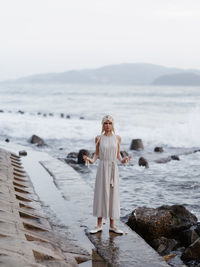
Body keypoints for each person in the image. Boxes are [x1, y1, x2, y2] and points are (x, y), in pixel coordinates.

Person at [83, 115, 131, 235]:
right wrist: (89, 159)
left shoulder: (118, 138)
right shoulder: (98, 138)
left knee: (113, 195)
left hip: (113, 168)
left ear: (113, 124)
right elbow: (96, 156)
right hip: (102, 168)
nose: (108, 125)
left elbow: (118, 156)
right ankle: (99, 225)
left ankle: (112, 225)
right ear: (102, 125)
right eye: (105, 123)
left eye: (110, 123)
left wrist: (124, 160)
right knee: (101, 194)